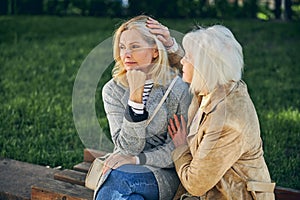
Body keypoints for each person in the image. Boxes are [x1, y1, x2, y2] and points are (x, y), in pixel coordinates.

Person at [168, 25, 275, 199]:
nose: (182, 61)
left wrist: (180, 148)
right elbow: (184, 69)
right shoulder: (215, 87)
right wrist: (169, 44)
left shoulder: (228, 121)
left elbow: (196, 185)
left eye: (188, 57)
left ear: (204, 67)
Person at [95, 15, 191, 200]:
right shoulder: (112, 90)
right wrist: (135, 99)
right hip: (124, 168)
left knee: (121, 180)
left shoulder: (176, 88)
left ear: (155, 51)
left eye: (135, 46)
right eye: (122, 47)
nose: (126, 54)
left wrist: (138, 160)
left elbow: (177, 147)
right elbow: (126, 148)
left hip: (163, 173)